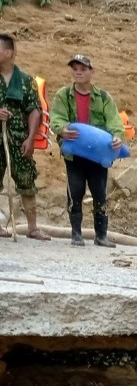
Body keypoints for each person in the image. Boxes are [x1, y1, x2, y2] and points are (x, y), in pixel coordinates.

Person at [48, 53, 125, 247]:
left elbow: (115, 122)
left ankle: (101, 235)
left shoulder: (104, 97)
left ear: (91, 72)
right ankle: (76, 234)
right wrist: (62, 130)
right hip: (74, 153)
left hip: (98, 155)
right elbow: (56, 118)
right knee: (75, 191)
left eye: (83, 69)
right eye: (75, 69)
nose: (78, 73)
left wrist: (117, 136)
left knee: (100, 192)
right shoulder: (63, 95)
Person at [0, 34, 49, 241]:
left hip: (19, 138)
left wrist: (30, 138)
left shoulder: (26, 80)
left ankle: (32, 227)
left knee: (27, 180)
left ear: (9, 52)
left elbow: (35, 110)